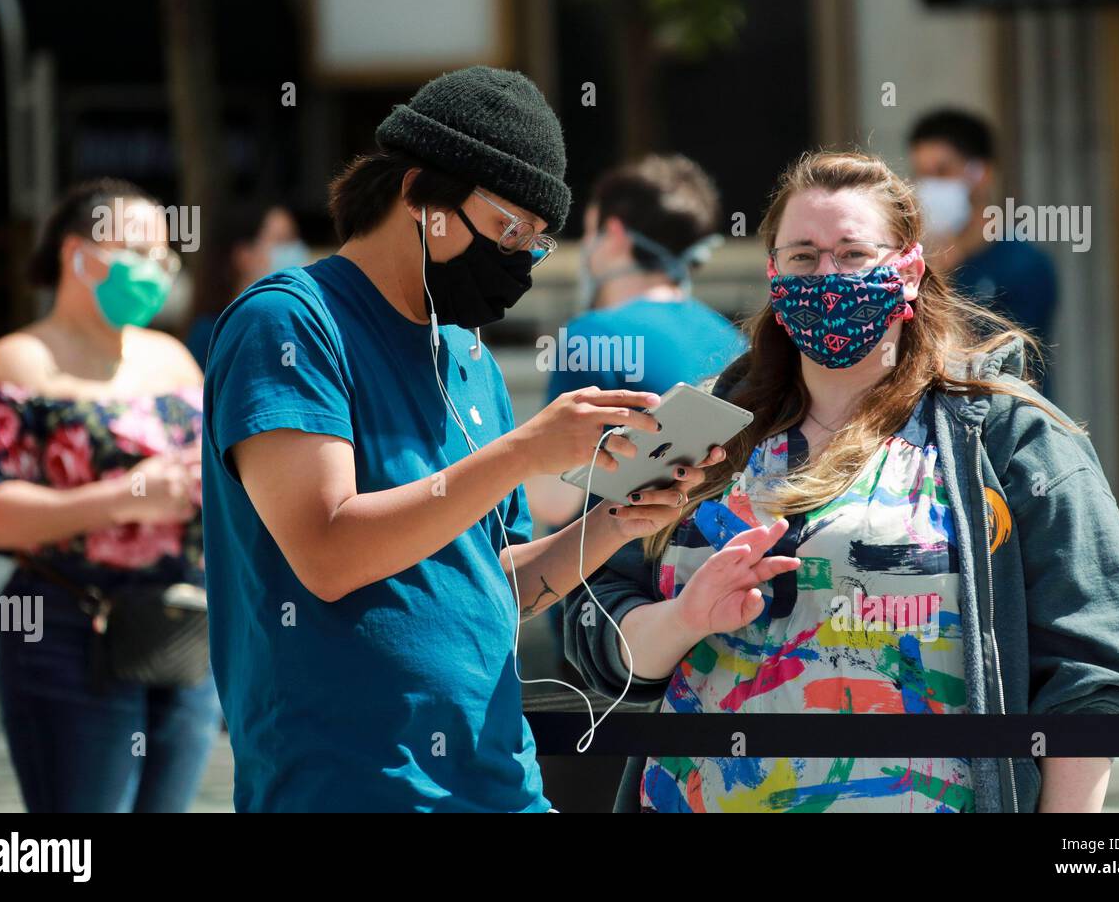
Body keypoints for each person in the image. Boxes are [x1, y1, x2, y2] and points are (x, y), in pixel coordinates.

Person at [566, 150, 1119, 813]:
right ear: (772, 273)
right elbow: (591, 613)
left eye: (852, 254)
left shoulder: (1005, 434)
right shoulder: (693, 428)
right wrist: (681, 618)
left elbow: (1092, 670)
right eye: (803, 256)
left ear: (908, 268)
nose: (827, 275)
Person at [199, 66, 722, 812]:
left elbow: (494, 583)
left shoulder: (471, 358)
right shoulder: (288, 323)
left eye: (537, 243)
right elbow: (327, 551)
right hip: (349, 787)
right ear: (418, 193)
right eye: (509, 228)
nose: (519, 260)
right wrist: (524, 452)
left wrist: (618, 520)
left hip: (499, 781)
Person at [0, 178, 220, 812]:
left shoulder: (173, 360)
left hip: (179, 623)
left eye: (165, 258)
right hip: (69, 628)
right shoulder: (18, 363)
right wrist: (123, 497)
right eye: (137, 252)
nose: (154, 270)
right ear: (78, 255)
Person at [525, 154, 746, 530]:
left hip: (611, 581)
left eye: (591, 232)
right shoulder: (733, 337)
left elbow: (552, 503)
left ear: (614, 234)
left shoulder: (593, 335)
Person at [908, 109, 1058, 363]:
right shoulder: (918, 263)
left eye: (942, 172)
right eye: (921, 174)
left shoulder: (1025, 265)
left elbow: (1007, 360)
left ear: (981, 174)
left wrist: (941, 282)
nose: (929, 186)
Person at [185, 202, 306, 370]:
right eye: (281, 241)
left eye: (293, 239)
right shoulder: (210, 333)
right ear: (244, 255)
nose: (293, 250)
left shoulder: (301, 326)